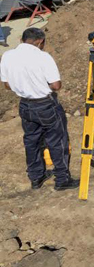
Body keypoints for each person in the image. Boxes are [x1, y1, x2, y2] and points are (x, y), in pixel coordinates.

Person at [0, 28, 78, 190]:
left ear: (22, 39)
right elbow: (56, 86)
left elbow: (7, 85)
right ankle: (62, 179)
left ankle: (36, 177)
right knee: (57, 141)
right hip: (45, 104)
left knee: (31, 141)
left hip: (25, 105)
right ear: (40, 41)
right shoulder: (43, 57)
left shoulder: (7, 56)